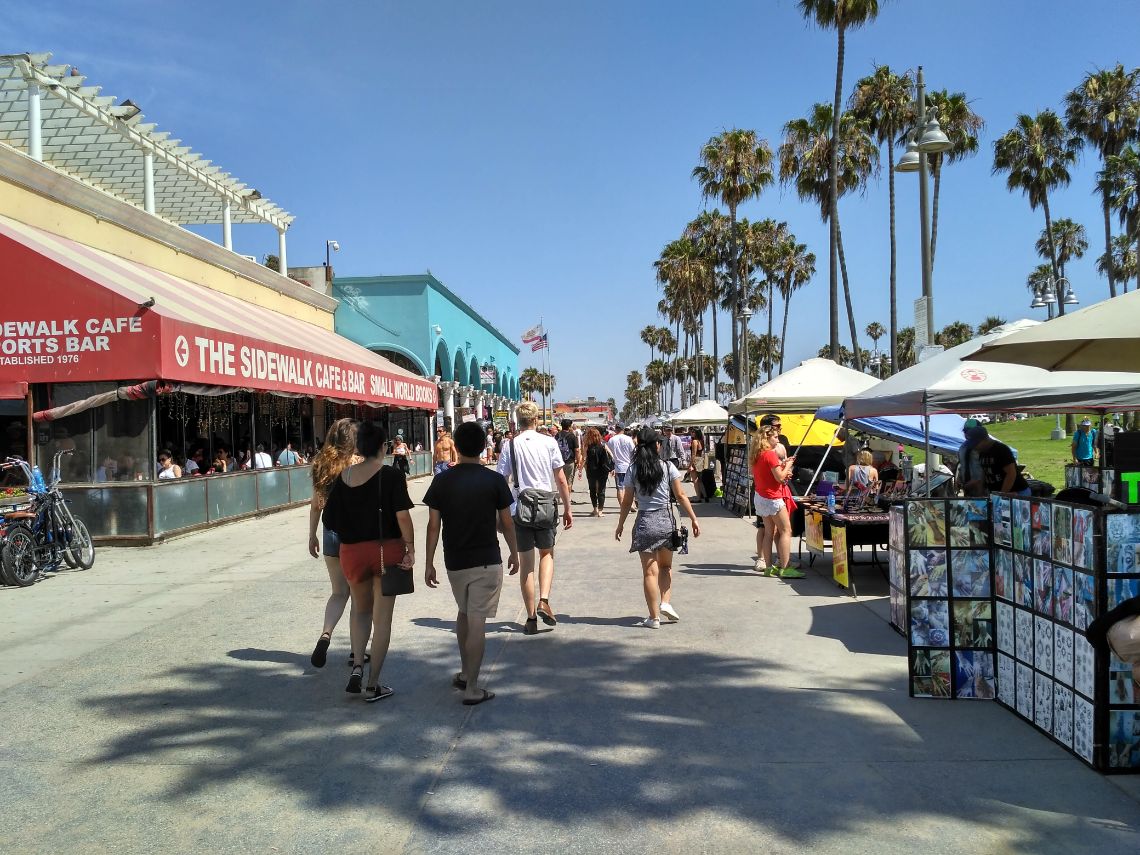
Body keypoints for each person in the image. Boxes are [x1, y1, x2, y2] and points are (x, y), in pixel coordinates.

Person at [424, 422, 519, 705]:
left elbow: (433, 526)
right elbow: (506, 522)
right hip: (487, 560)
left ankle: (466, 672)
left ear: (457, 446)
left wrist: (428, 562)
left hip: (455, 560)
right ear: (482, 447)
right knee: (477, 621)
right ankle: (473, 688)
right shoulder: (495, 481)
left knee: (464, 613)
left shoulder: (441, 481)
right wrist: (514, 552)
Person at [321, 421, 415, 702]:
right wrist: (410, 548)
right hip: (387, 551)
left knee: (361, 611)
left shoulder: (344, 476)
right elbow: (403, 516)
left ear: (359, 447)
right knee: (381, 620)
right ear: (383, 447)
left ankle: (357, 666)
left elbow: (330, 519)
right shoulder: (392, 475)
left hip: (352, 553)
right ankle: (373, 685)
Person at [496, 401, 573, 634]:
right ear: (536, 419)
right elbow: (560, 479)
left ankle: (530, 619)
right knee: (547, 554)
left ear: (517, 421)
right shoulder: (549, 442)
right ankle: (544, 600)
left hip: (520, 509)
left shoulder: (510, 445)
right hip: (546, 507)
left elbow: (501, 480)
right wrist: (568, 508)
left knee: (526, 563)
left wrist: (500, 512)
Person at [615, 426, 701, 627]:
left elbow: (627, 501)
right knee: (666, 566)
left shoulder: (633, 469)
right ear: (656, 446)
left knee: (649, 572)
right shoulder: (668, 466)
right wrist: (693, 518)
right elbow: (681, 495)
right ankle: (665, 602)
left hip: (644, 522)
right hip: (665, 520)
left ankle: (653, 618)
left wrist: (620, 524)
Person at [307, 418, 362, 669]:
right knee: (359, 597)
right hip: (355, 535)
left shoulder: (321, 463)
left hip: (330, 532)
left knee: (339, 593)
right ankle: (356, 651)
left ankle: (326, 634)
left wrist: (312, 535)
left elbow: (316, 504)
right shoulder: (358, 463)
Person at [751, 426, 802, 578]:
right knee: (786, 530)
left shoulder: (757, 454)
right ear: (767, 438)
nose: (778, 440)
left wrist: (782, 466)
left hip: (760, 496)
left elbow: (770, 474)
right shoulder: (770, 454)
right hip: (772, 497)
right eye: (775, 437)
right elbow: (780, 478)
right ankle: (785, 568)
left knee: (769, 532)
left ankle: (768, 567)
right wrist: (788, 465)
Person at [967, 423, 1030, 496]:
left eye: (975, 444)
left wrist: (1001, 495)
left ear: (985, 439)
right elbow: (985, 472)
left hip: (1017, 492)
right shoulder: (982, 452)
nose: (974, 447)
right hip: (998, 494)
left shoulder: (1001, 449)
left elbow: (1011, 473)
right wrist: (980, 493)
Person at [582, 427, 614, 516]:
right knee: (601, 490)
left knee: (592, 489)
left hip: (591, 470)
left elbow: (584, 458)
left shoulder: (587, 446)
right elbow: (611, 456)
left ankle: (595, 509)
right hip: (603, 470)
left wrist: (581, 468)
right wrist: (611, 467)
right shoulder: (603, 444)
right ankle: (600, 511)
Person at [607, 422, 636, 505]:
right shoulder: (628, 439)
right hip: (629, 466)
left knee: (620, 488)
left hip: (618, 467)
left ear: (616, 429)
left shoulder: (611, 440)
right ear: (623, 429)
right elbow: (633, 451)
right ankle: (630, 504)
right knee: (630, 487)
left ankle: (622, 506)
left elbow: (609, 452)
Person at [955, 419, 986, 497]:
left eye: (971, 431)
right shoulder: (962, 448)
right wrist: (959, 479)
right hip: (968, 490)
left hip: (984, 491)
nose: (967, 434)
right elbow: (962, 465)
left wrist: (977, 481)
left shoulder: (986, 447)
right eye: (965, 431)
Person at [555, 418, 580, 491]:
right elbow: (577, 450)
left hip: (559, 462)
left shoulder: (557, 435)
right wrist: (578, 461)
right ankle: (567, 496)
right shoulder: (572, 436)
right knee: (569, 481)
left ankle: (561, 495)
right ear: (569, 426)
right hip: (569, 461)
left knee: (560, 481)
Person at [688, 428, 708, 502]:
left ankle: (698, 498)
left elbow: (693, 454)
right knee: (700, 480)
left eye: (693, 432)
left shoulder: (694, 441)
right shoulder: (701, 441)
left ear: (696, 433)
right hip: (700, 460)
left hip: (695, 461)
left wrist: (690, 465)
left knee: (695, 481)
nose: (691, 433)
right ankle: (705, 496)